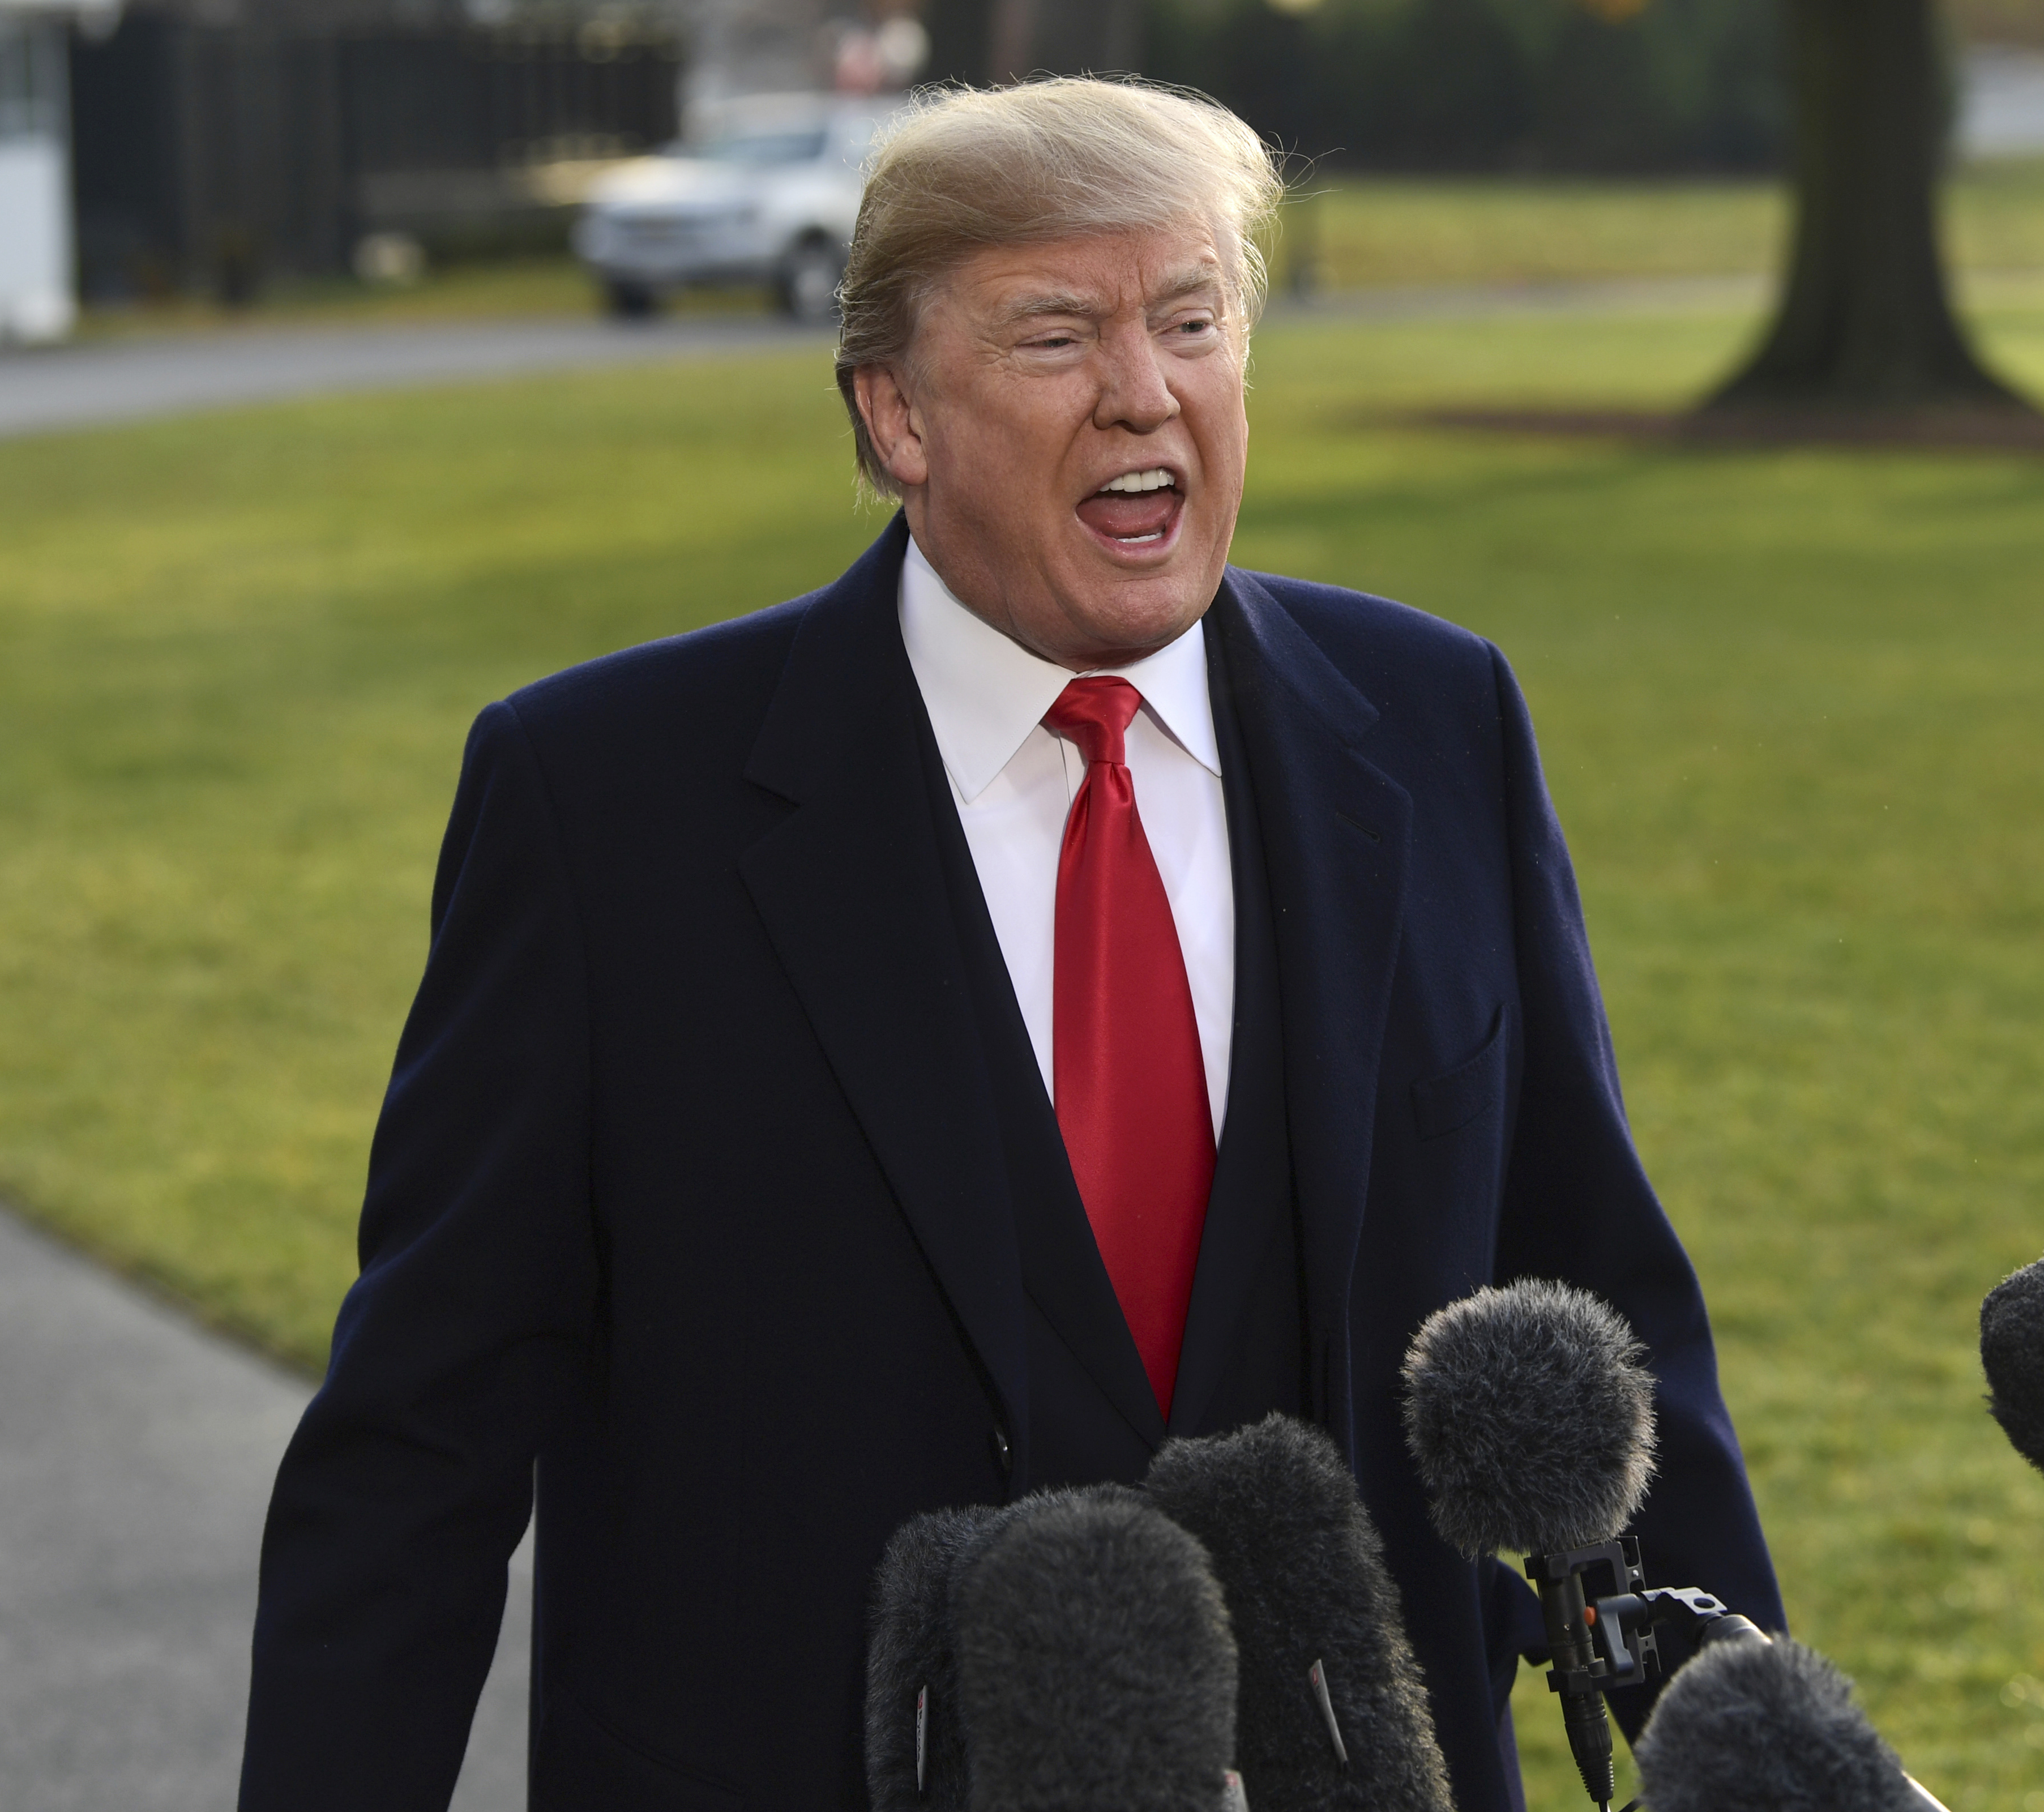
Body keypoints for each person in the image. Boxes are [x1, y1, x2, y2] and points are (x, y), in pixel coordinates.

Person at [237, 78, 1782, 1812]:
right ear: (896, 414)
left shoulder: (1436, 723)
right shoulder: (603, 805)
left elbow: (1603, 1308)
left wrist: (1763, 1755)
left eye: (1192, 320)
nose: (1147, 389)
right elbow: (418, 1448)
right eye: (1060, 334)